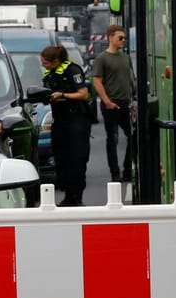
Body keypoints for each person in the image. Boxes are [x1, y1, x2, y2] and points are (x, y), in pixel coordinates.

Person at [40, 44, 93, 206]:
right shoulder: (50, 73)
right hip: (60, 121)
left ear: (56, 60)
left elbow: (83, 94)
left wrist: (63, 95)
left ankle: (76, 197)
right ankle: (68, 194)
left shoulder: (72, 70)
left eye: (46, 62)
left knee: (76, 158)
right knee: (60, 158)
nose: (43, 65)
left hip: (76, 119)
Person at [90, 25, 135, 184]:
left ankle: (127, 170)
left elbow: (130, 79)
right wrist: (107, 101)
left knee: (132, 137)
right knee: (113, 139)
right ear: (110, 38)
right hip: (111, 105)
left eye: (124, 38)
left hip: (125, 104)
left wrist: (132, 99)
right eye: (120, 38)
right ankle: (115, 173)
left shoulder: (125, 57)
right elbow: (97, 81)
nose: (123, 40)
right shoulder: (102, 58)